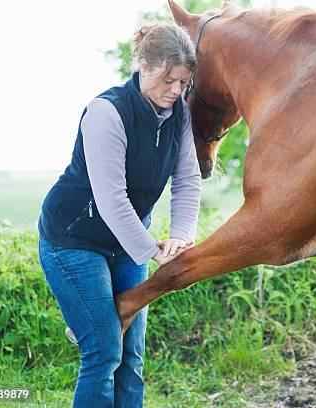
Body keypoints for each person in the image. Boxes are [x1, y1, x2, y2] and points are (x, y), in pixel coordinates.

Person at [37, 20, 201, 408]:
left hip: (125, 240)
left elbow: (188, 179)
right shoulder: (106, 113)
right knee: (105, 352)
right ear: (144, 65)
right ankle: (90, 322)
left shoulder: (178, 113)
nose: (176, 91)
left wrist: (181, 233)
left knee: (131, 357)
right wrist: (152, 249)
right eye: (168, 80)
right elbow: (110, 198)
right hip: (73, 240)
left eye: (184, 83)